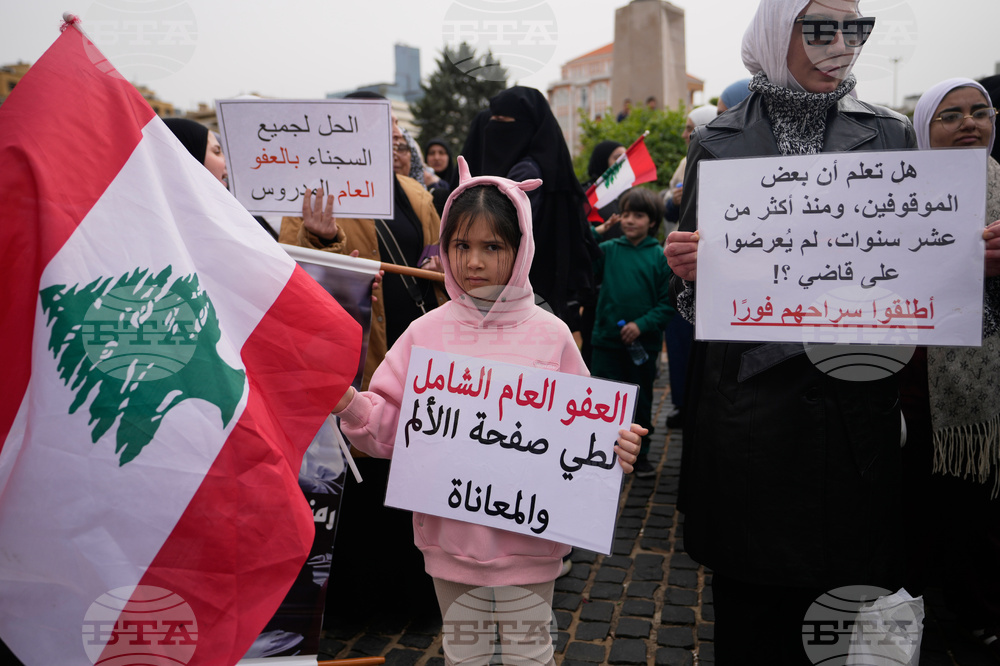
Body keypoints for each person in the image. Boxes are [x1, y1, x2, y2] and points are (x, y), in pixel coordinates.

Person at [664, 1, 914, 662]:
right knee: (754, 625)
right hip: (750, 426)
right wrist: (689, 274)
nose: (840, 44)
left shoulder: (892, 137)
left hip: (852, 416)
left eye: (853, 28)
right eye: (820, 27)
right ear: (779, 30)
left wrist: (966, 266)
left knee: (841, 624)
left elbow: (911, 278)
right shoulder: (717, 140)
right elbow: (696, 310)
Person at [331, 156, 645, 665]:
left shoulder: (550, 333)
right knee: (464, 652)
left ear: (520, 250)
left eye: (491, 247)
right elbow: (388, 429)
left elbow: (586, 428)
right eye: (461, 246)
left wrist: (615, 442)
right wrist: (349, 403)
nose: (473, 262)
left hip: (531, 541)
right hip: (448, 544)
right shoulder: (425, 332)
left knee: (529, 652)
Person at [904, 77, 1000, 657]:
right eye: (950, 116)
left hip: (984, 392)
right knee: (916, 499)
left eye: (979, 112)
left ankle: (979, 607)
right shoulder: (894, 192)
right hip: (912, 379)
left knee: (979, 507)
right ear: (923, 131)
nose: (969, 124)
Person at [460, 86, 599, 323]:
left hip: (524, 294)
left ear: (526, 127)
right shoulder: (534, 166)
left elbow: (503, 230)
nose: (493, 128)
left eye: (502, 121)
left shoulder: (526, 173)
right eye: (492, 120)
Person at [590, 187, 674, 478]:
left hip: (643, 346)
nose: (629, 220)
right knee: (602, 398)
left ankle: (643, 453)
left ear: (652, 221)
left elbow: (668, 305)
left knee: (640, 399)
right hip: (606, 342)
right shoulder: (609, 250)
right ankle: (597, 448)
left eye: (638, 215)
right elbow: (582, 250)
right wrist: (599, 230)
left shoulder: (660, 257)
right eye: (625, 214)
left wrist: (642, 324)